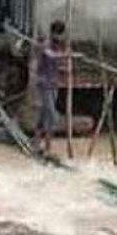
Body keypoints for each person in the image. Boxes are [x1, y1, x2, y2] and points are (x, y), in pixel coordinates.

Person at [33, 20, 69, 156]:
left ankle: (36, 142)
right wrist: (65, 55)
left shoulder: (59, 46)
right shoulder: (46, 45)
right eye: (60, 35)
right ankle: (48, 148)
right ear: (54, 33)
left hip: (54, 84)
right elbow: (49, 55)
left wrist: (66, 65)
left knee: (44, 114)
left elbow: (59, 63)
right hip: (44, 84)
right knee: (52, 116)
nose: (61, 38)